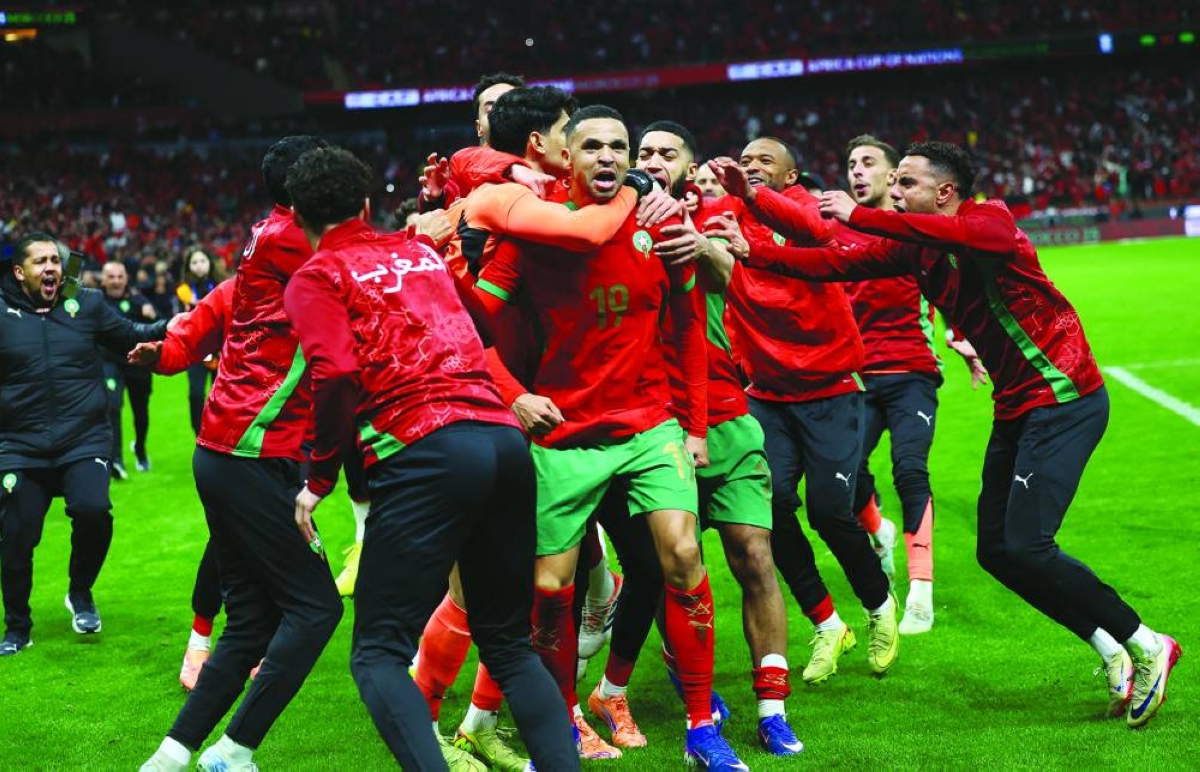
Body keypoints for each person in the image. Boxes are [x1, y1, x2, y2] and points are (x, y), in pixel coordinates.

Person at [708, 140, 1182, 728]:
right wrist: (752, 248)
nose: (894, 190)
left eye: (905, 183)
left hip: (1065, 399)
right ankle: (1112, 650)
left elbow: (963, 239)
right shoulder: (920, 252)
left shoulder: (990, 220)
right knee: (997, 552)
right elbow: (833, 262)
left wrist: (860, 214)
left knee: (1029, 544)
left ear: (945, 192)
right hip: (1017, 409)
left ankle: (1145, 641)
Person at [283, 145, 579, 771]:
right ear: (365, 203)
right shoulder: (419, 254)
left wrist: (318, 476)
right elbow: (482, 323)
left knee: (377, 652)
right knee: (508, 642)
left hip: (426, 447)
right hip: (501, 439)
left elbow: (333, 372)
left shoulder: (316, 276)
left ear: (296, 215)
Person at [476, 105, 748, 769]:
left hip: (647, 423)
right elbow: (471, 332)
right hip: (563, 429)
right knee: (548, 591)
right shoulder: (531, 235)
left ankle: (701, 728)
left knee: (683, 555)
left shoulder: (661, 226)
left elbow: (687, 329)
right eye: (590, 145)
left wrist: (696, 427)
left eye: (616, 146)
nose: (605, 156)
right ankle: (562, 718)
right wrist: (516, 395)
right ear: (565, 158)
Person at [584, 120, 804, 757]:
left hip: (727, 417)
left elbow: (726, 275)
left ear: (687, 164)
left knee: (754, 556)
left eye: (666, 152)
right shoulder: (605, 221)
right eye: (643, 151)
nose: (653, 160)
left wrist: (687, 233)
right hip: (649, 422)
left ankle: (772, 706)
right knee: (666, 566)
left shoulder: (712, 216)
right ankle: (695, 696)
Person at [139, 135, 344, 772]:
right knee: (316, 607)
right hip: (254, 453)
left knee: (253, 619)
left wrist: (171, 351)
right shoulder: (297, 242)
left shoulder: (270, 248)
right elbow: (368, 276)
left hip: (237, 452)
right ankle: (233, 750)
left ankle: (172, 757)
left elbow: (213, 309)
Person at [703, 137, 899, 685]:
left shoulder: (808, 209)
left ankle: (880, 606)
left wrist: (755, 198)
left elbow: (820, 234)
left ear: (792, 177)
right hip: (766, 393)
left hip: (831, 387)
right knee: (770, 509)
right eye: (744, 162)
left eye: (765, 162)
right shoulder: (724, 214)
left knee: (831, 512)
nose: (751, 168)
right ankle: (827, 621)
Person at [0, 233, 167, 656]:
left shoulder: (86, 305)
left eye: (55, 259)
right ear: (20, 273)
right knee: (17, 535)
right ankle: (17, 626)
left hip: (83, 437)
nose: (51, 267)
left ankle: (80, 591)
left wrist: (183, 323)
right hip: (20, 443)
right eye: (40, 262)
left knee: (94, 511)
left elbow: (133, 334)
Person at [839, 134, 944, 635]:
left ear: (892, 176)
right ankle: (878, 532)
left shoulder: (915, 231)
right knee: (845, 475)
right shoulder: (836, 233)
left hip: (911, 373)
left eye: (867, 163)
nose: (856, 172)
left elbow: (950, 283)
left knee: (909, 469)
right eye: (850, 164)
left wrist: (961, 337)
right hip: (857, 377)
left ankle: (921, 590)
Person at [129, 278, 236, 691]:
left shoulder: (316, 289)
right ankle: (200, 640)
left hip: (292, 439)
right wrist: (163, 352)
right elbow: (186, 339)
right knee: (227, 540)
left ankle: (254, 641)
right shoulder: (233, 292)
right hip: (231, 438)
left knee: (279, 545)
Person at [99, 260, 157, 477]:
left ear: (126, 278)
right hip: (109, 361)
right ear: (103, 280)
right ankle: (117, 460)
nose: (115, 281)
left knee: (140, 412)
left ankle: (140, 449)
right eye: (111, 277)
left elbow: (159, 325)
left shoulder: (139, 300)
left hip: (138, 363)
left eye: (119, 276)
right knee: (112, 406)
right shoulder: (96, 301)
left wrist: (152, 314)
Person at [175, 248, 222, 435]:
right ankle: (199, 433)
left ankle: (220, 433)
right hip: (196, 349)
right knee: (195, 394)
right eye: (194, 262)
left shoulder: (221, 285)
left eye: (202, 261)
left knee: (220, 394)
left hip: (221, 348)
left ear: (210, 263)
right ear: (188, 267)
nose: (199, 266)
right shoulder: (184, 291)